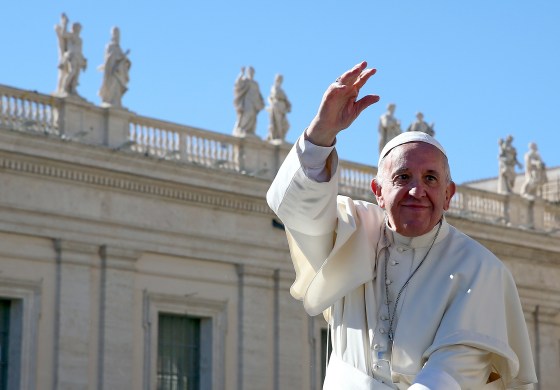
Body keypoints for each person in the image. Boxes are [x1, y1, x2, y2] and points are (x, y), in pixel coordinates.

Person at [267, 62, 537, 389]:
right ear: (378, 192)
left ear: (448, 194)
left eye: (430, 179)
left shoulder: (480, 270)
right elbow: (295, 205)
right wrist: (321, 132)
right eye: (403, 177)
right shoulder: (350, 230)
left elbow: (452, 373)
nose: (416, 190)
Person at [54, 13, 87, 96]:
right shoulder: (71, 35)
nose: (79, 30)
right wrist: (65, 23)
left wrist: (83, 60)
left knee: (76, 74)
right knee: (71, 72)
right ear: (74, 28)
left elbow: (80, 50)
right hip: (71, 56)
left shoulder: (80, 39)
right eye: (78, 28)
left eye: (80, 29)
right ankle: (64, 88)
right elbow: (63, 34)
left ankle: (72, 89)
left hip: (78, 57)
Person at [98, 27, 131, 108]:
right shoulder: (110, 46)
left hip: (118, 72)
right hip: (112, 71)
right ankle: (111, 101)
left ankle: (117, 103)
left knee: (117, 88)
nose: (117, 36)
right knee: (112, 86)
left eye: (118, 34)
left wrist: (125, 60)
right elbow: (109, 58)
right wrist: (118, 58)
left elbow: (121, 59)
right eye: (115, 34)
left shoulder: (119, 48)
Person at [232, 66, 265, 137]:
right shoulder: (245, 80)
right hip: (247, 100)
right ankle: (241, 128)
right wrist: (241, 74)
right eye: (250, 72)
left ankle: (250, 131)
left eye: (252, 72)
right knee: (247, 113)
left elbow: (259, 94)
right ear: (247, 72)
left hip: (254, 102)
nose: (251, 73)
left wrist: (262, 101)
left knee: (253, 117)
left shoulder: (256, 83)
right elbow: (238, 84)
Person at [266, 74, 292, 141]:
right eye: (278, 79)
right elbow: (275, 95)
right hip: (276, 106)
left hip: (282, 109)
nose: (279, 80)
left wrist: (288, 105)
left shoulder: (281, 90)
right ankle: (277, 137)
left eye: (280, 79)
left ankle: (280, 137)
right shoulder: (274, 87)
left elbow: (286, 100)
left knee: (286, 125)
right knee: (278, 123)